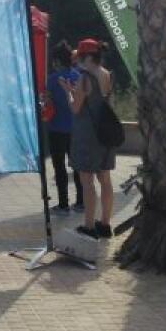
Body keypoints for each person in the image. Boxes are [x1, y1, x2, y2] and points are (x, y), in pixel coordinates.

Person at [62, 38, 115, 240]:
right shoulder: (107, 74)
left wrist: (68, 93)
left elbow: (76, 108)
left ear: (87, 57)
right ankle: (105, 224)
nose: (77, 63)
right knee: (105, 179)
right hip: (105, 133)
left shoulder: (85, 78)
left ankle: (89, 226)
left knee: (87, 181)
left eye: (79, 58)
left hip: (88, 135)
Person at [43, 41, 83, 213]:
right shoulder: (78, 77)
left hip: (56, 128)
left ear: (57, 60)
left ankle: (63, 203)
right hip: (76, 128)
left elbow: (47, 103)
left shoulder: (52, 80)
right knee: (78, 166)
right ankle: (81, 202)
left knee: (59, 167)